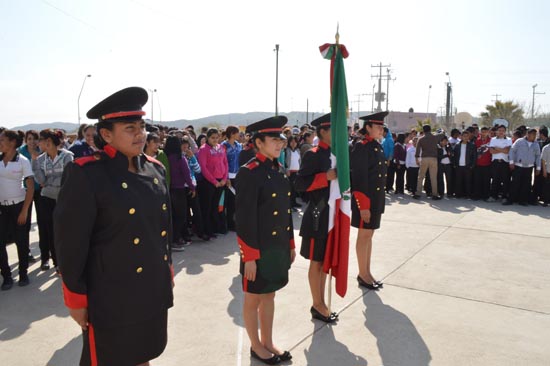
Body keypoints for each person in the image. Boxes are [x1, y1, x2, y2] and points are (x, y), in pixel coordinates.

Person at [54, 87, 174, 366]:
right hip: (112, 294)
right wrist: (76, 298)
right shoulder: (87, 174)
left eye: (142, 126)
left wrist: (166, 268)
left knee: (144, 353)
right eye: (130, 128)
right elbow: (70, 243)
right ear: (106, 134)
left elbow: (161, 229)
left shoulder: (155, 169)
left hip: (151, 287)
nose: (140, 134)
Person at [235, 116, 296, 365]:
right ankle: (255, 345)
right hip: (257, 249)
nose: (280, 144)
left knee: (269, 296)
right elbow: (244, 219)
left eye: (281, 139)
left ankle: (268, 341)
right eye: (274, 140)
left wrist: (290, 244)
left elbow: (286, 212)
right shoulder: (249, 173)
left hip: (277, 247)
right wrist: (248, 256)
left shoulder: (278, 170)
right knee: (253, 298)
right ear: (258, 142)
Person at [295, 113, 338, 323]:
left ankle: (321, 302)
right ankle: (317, 303)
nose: (337, 134)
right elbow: (300, 184)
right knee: (316, 262)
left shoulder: (337, 154)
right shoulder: (312, 154)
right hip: (317, 215)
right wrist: (325, 177)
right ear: (322, 132)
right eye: (333, 130)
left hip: (332, 215)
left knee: (325, 262)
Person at [351, 112, 388, 291]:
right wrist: (363, 207)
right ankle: (362, 273)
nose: (382, 129)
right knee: (364, 236)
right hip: (365, 200)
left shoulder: (375, 145)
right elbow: (359, 179)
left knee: (369, 236)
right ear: (368, 127)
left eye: (382, 126)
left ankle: (367, 271)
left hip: (376, 199)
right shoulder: (361, 147)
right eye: (378, 126)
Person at [31, 129, 74, 271]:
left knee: (67, 230)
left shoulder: (68, 156)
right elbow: (41, 180)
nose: (38, 143)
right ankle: (57, 263)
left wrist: (51, 181)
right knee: (51, 231)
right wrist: (34, 162)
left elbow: (67, 178)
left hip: (64, 199)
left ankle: (69, 260)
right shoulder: (40, 160)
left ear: (48, 142)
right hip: (47, 199)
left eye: (41, 140)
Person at [0, 130, 34, 290]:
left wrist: (25, 211)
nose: (0, 143)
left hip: (19, 206)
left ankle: (23, 273)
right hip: (2, 208)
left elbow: (30, 187)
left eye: (2, 140)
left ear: (13, 142)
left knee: (21, 241)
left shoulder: (23, 161)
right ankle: (6, 276)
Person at [197, 128, 228, 238]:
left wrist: (225, 178)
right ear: (208, 138)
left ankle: (214, 229)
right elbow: (204, 168)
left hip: (221, 181)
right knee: (207, 207)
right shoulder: (203, 149)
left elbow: (225, 163)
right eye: (212, 138)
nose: (215, 140)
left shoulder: (221, 148)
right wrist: (214, 181)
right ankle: (206, 230)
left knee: (215, 206)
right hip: (209, 182)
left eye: (217, 137)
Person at [165, 135, 195, 249]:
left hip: (168, 189)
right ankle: (176, 239)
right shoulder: (180, 158)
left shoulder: (165, 157)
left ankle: (172, 238)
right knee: (181, 216)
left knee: (172, 216)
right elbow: (187, 174)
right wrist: (192, 187)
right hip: (179, 190)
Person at [504, 128, 541, 206]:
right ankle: (510, 200)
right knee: (515, 184)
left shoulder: (536, 144)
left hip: (529, 167)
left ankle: (522, 201)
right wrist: (511, 162)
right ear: (528, 134)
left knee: (526, 185)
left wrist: (538, 168)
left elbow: (538, 156)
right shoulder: (519, 141)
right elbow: (512, 151)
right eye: (533, 134)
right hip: (518, 166)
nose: (534, 136)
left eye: (535, 134)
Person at [413, 124, 444, 200]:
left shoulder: (421, 139)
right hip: (433, 158)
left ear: (423, 131)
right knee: (433, 177)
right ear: (430, 130)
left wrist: (417, 158)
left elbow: (417, 150)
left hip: (424, 158)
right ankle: (434, 194)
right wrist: (441, 130)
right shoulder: (435, 137)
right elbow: (442, 134)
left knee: (421, 177)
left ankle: (418, 193)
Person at [222, 125, 242, 232]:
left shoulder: (239, 146)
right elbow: (223, 162)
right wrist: (226, 177)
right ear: (232, 134)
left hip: (237, 175)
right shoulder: (223, 146)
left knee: (235, 201)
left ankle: (234, 221)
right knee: (228, 202)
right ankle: (228, 223)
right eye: (237, 133)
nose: (239, 135)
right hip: (227, 176)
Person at [487, 125, 512, 202]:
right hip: (495, 162)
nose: (501, 132)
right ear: (497, 131)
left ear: (505, 132)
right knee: (495, 180)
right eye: (499, 130)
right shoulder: (493, 139)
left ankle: (504, 197)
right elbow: (491, 151)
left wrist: (496, 148)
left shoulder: (508, 139)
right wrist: (502, 149)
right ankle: (493, 196)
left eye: (503, 131)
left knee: (505, 180)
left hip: (504, 162)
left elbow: (507, 151)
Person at [452, 130, 477, 199]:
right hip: (458, 166)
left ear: (469, 137)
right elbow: (454, 156)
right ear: (461, 137)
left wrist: (472, 165)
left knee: (468, 181)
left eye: (467, 136)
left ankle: (468, 195)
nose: (465, 138)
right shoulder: (457, 145)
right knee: (458, 181)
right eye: (464, 136)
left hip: (468, 166)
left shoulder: (472, 145)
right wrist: (454, 164)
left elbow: (474, 157)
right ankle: (458, 194)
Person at [473, 126, 492, 201]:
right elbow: (474, 151)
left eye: (485, 132)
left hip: (488, 164)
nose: (483, 133)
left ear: (488, 132)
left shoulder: (491, 140)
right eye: (482, 132)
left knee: (486, 181)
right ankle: (477, 195)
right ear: (480, 132)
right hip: (478, 164)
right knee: (477, 180)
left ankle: (485, 195)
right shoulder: (477, 141)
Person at [284, 136, 301, 208]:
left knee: (295, 189)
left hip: (297, 172)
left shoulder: (298, 150)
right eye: (292, 142)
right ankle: (290, 204)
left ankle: (294, 203)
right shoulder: (286, 150)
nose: (293, 143)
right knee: (290, 189)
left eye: (295, 142)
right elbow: (284, 161)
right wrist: (286, 169)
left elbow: (299, 161)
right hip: (290, 172)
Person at [541, 142, 550, 206]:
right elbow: (543, 160)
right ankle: (546, 201)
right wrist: (544, 170)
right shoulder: (546, 148)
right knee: (547, 187)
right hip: (548, 170)